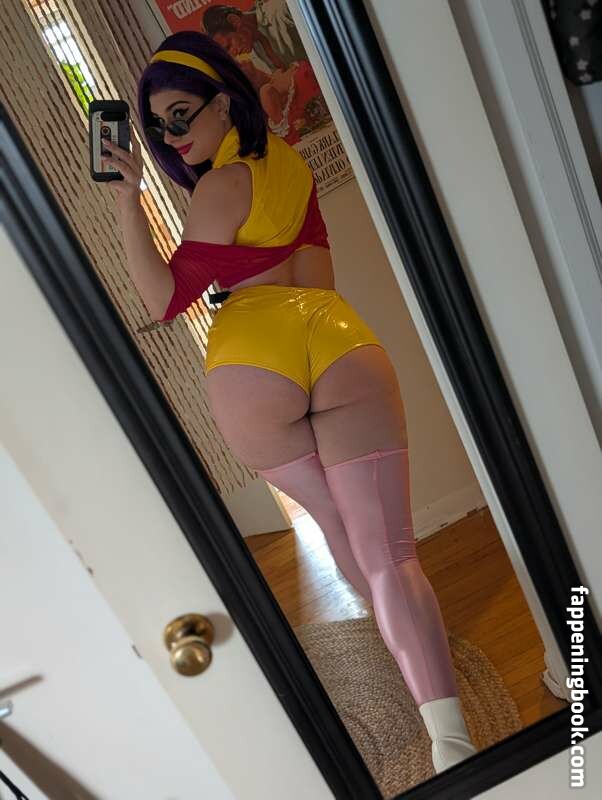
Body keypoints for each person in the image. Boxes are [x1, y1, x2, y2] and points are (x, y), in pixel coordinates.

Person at [104, 30, 477, 774]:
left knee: (345, 537)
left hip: (252, 364)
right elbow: (318, 270)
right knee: (390, 553)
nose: (170, 137)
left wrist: (127, 201)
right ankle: (452, 736)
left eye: (180, 116)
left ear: (223, 102)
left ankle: (427, 702)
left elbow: (164, 299)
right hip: (338, 344)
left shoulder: (219, 185)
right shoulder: (290, 163)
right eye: (159, 128)